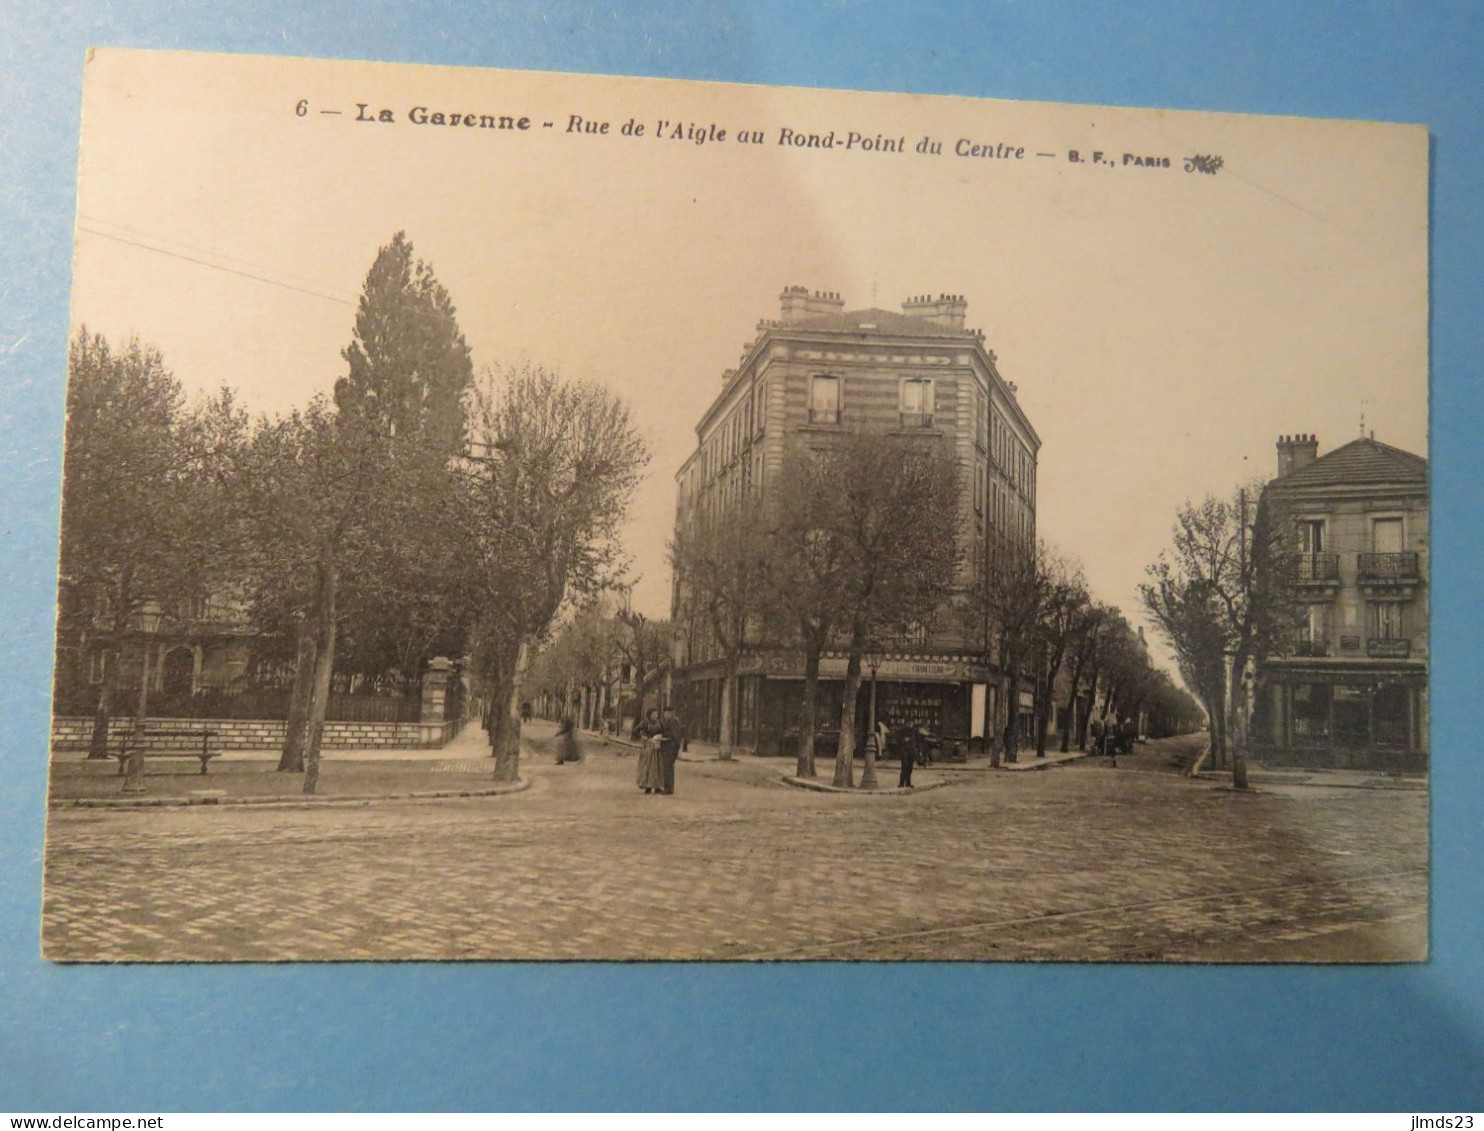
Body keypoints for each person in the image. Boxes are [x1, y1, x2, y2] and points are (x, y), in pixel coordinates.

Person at [634, 708, 665, 793]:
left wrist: (660, 737)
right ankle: (648, 786)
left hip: (657, 747)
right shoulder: (645, 723)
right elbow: (635, 730)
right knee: (647, 766)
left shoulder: (660, 723)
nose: (655, 716)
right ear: (649, 715)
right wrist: (642, 737)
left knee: (657, 767)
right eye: (653, 714)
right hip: (648, 747)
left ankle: (657, 787)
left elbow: (664, 732)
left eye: (656, 714)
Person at [657, 705, 685, 795]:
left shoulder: (673, 722)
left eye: (666, 713)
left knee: (667, 768)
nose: (665, 715)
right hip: (669, 747)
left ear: (669, 713)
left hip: (670, 748)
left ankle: (668, 788)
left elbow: (674, 735)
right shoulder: (670, 721)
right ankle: (668, 787)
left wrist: (663, 736)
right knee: (668, 768)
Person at [897, 725, 919, 789]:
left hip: (911, 751)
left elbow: (917, 741)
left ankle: (908, 783)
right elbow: (898, 739)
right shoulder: (903, 730)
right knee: (904, 767)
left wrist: (917, 750)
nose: (910, 724)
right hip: (905, 752)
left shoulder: (914, 731)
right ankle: (901, 783)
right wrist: (904, 740)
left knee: (910, 768)